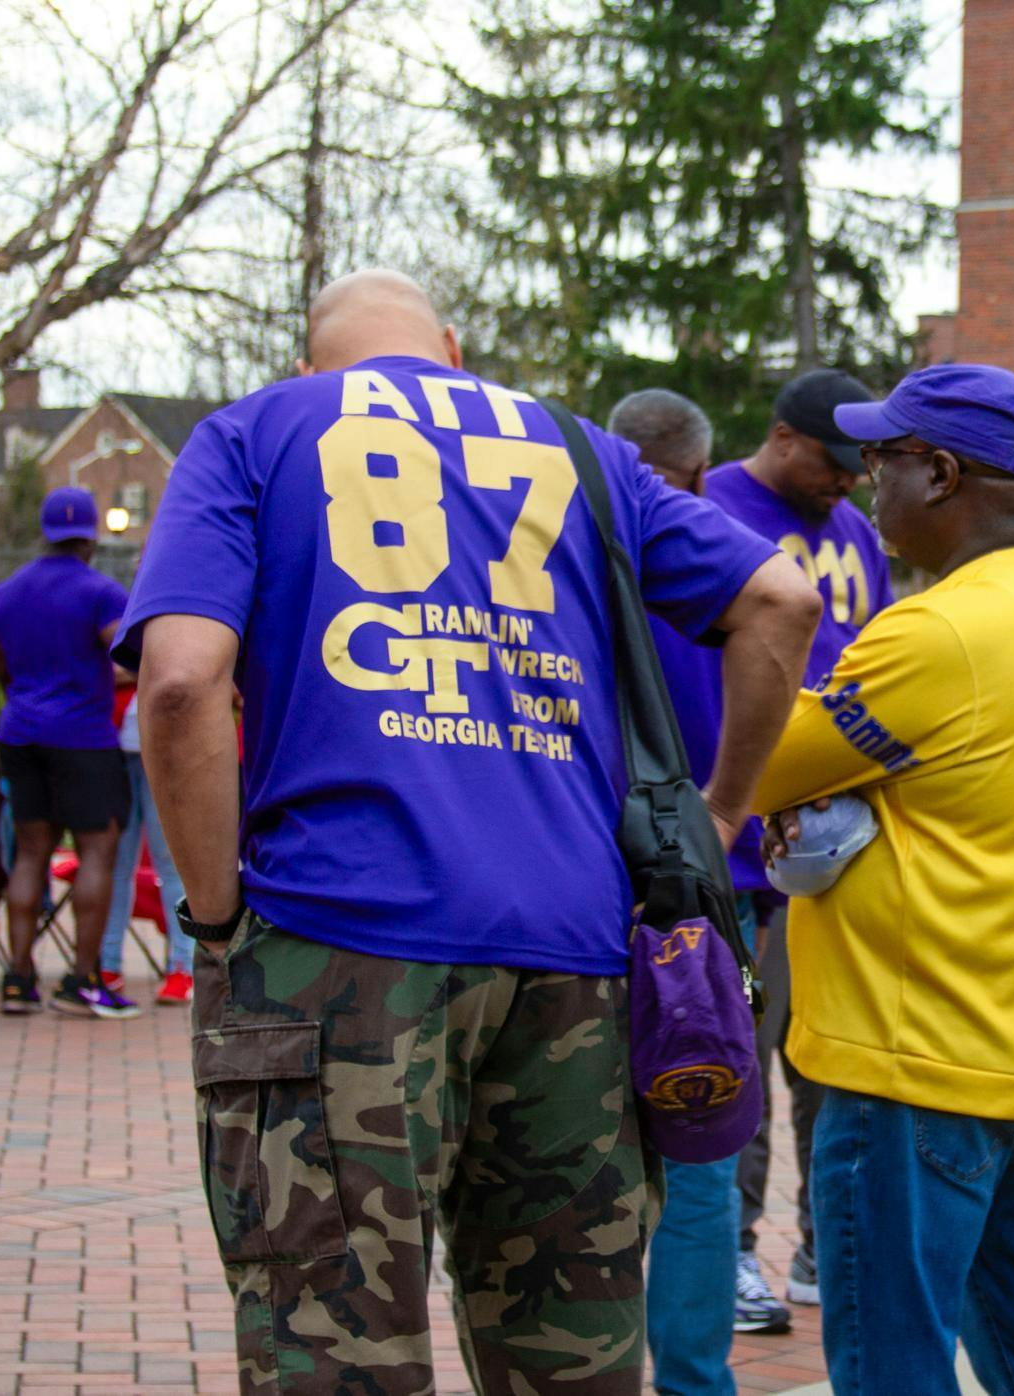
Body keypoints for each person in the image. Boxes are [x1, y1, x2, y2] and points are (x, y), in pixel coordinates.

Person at [121, 268, 820, 1396]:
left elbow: (180, 684)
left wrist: (215, 920)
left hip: (337, 934)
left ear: (311, 365)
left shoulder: (255, 433)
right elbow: (780, 600)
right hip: (575, 945)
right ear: (453, 349)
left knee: (335, 1348)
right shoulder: (581, 450)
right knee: (572, 1353)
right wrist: (721, 809)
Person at [754, 363, 1014, 1396]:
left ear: (944, 474)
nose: (871, 482)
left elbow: (757, 762)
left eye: (885, 459)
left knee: (891, 1368)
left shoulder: (942, 628)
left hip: (919, 1066)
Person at [706, 367, 892, 1328]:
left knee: (827, 1057)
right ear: (783, 438)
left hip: (828, 849)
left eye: (862, 464)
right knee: (735, 1055)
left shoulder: (854, 531)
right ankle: (734, 1254)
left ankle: (827, 1248)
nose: (850, 480)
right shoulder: (710, 508)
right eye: (834, 460)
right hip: (735, 844)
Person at [606, 387, 740, 1396]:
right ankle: (694, 1382)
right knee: (698, 1137)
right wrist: (727, 812)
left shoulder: (551, 553)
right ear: (694, 472)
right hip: (692, 885)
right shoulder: (718, 564)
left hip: (570, 881)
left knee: (561, 1147)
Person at [0, 486, 136, 1019]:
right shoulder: (102, 593)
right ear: (90, 538)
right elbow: (131, 655)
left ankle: (18, 978)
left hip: (20, 731)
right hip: (83, 736)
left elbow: (0, 667)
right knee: (97, 850)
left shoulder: (4, 593)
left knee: (31, 852)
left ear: (45, 534)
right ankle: (82, 980)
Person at [98, 681, 192, 1005]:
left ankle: (183, 966)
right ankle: (108, 964)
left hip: (167, 744)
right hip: (113, 746)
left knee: (172, 864)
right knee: (115, 866)